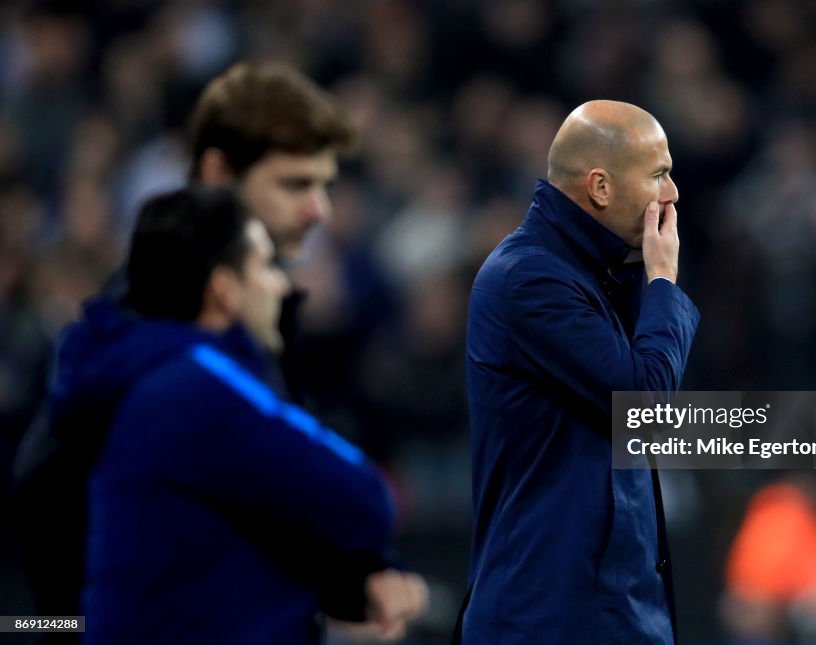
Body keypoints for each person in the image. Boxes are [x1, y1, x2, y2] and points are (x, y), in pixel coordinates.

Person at [10, 61, 398, 631]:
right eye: (296, 184)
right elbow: (45, 486)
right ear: (218, 174)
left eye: (325, 184)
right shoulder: (146, 327)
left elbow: (262, 502)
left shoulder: (249, 323)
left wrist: (352, 582)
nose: (321, 210)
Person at [76, 186, 424, 642]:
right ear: (225, 290)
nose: (281, 283)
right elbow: (365, 496)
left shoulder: (149, 375)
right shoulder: (201, 385)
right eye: (264, 266)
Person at [458, 101, 700, 643]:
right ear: (601, 187)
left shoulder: (599, 275)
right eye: (659, 174)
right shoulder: (530, 280)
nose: (673, 194)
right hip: (547, 615)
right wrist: (662, 282)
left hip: (610, 609)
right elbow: (644, 408)